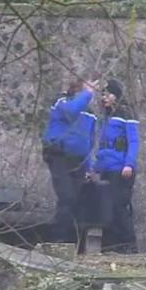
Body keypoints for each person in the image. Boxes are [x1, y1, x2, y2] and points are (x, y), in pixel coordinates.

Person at [42, 78, 99, 242]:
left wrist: (89, 167)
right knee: (67, 198)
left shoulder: (90, 114)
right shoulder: (62, 103)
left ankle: (73, 244)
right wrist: (87, 92)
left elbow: (89, 140)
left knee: (77, 202)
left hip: (79, 161)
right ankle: (57, 241)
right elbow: (71, 112)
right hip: (59, 156)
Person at [94, 79, 140, 253]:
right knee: (107, 208)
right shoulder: (106, 117)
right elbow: (103, 146)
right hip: (107, 168)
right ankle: (111, 246)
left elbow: (133, 141)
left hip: (121, 170)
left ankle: (128, 246)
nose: (104, 98)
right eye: (103, 94)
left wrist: (129, 164)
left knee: (120, 207)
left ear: (116, 96)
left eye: (108, 94)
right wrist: (95, 167)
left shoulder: (126, 113)